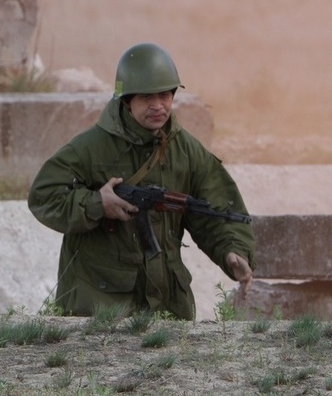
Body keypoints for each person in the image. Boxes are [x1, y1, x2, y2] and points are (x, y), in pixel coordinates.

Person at [28, 42, 255, 320]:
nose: (158, 106)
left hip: (167, 306)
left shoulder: (186, 151)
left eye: (164, 96)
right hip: (98, 306)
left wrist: (232, 250)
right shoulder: (91, 147)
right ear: (126, 99)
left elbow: (213, 208)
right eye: (147, 98)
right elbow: (43, 196)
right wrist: (97, 203)